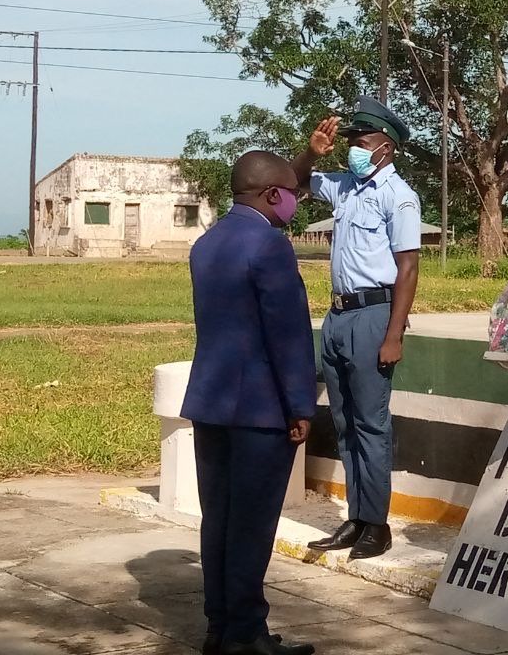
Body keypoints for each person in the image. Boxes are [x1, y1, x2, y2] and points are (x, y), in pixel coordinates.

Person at [181, 151, 318, 655]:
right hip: (260, 409)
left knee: (218, 519)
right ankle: (247, 634)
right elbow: (287, 335)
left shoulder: (207, 243)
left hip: (211, 401)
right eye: (293, 194)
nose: (296, 203)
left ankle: (219, 628)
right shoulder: (270, 245)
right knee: (252, 526)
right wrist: (301, 404)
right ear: (271, 195)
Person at [294, 96, 421, 561]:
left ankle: (377, 525)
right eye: (349, 140)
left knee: (372, 425)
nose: (352, 147)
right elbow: (293, 182)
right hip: (338, 316)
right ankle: (355, 518)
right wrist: (312, 152)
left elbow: (407, 268)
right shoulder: (346, 188)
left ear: (385, 146)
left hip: (373, 315)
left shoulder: (398, 196)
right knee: (346, 423)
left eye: (361, 141)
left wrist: (393, 335)